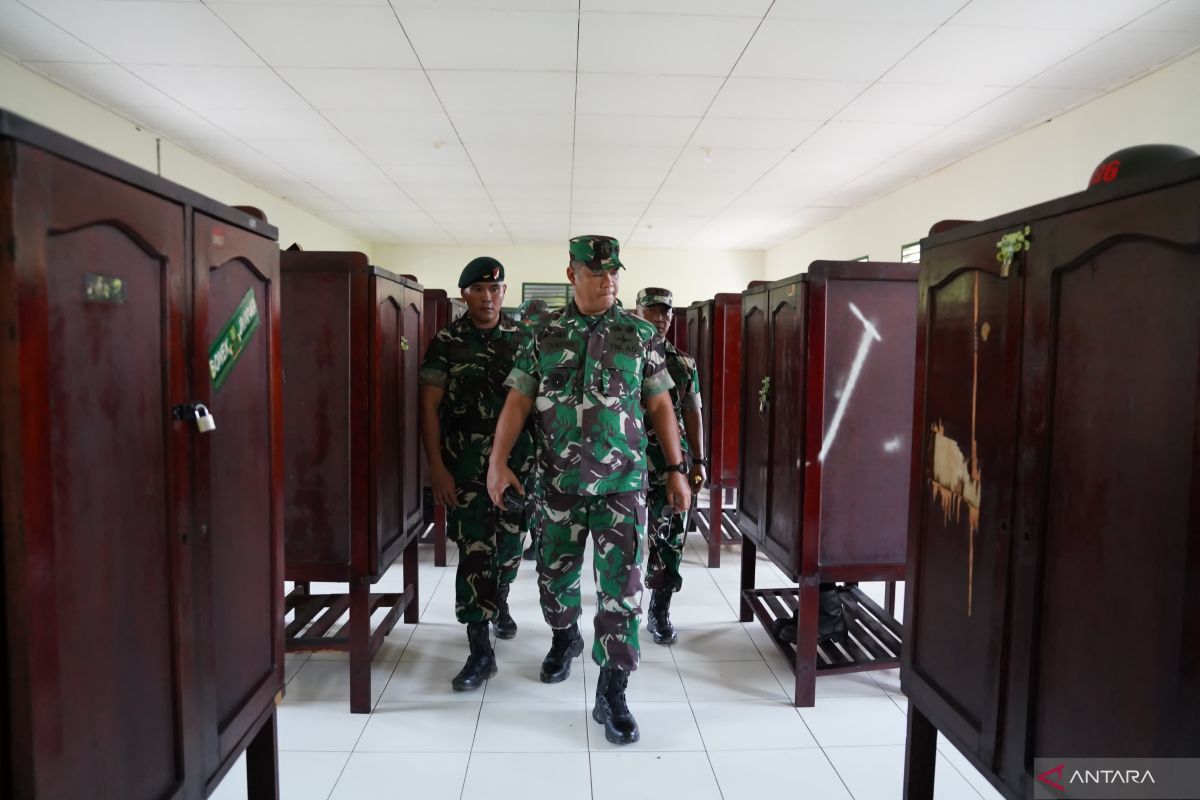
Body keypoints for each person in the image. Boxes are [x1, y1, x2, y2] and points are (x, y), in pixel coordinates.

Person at [486, 235, 691, 745]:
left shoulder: (639, 333)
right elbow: (517, 401)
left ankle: (613, 690)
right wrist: (497, 462)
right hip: (556, 484)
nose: (608, 280)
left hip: (623, 487)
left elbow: (662, 405)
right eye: (596, 271)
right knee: (555, 579)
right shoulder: (545, 334)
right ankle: (563, 639)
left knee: (622, 592)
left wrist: (676, 468)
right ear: (572, 273)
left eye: (614, 271)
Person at [419, 256, 535, 691]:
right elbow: (429, 408)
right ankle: (479, 649)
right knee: (474, 554)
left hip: (517, 465)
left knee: (508, 548)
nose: (489, 297)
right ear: (464, 293)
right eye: (479, 290)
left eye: (496, 289)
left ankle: (499, 599)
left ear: (504, 292)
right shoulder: (447, 341)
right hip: (465, 466)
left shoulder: (525, 339)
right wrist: (437, 469)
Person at [633, 287, 706, 645]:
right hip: (627, 461)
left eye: (666, 313)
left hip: (670, 465)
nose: (660, 319)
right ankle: (622, 603)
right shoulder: (623, 356)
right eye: (653, 312)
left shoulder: (683, 363)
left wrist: (699, 461)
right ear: (637, 312)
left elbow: (693, 412)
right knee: (626, 538)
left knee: (669, 537)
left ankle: (659, 609)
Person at [515, 297, 550, 561]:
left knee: (526, 489)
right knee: (539, 491)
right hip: (546, 429)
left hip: (522, 429)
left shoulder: (521, 337)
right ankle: (538, 542)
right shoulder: (551, 333)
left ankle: (527, 541)